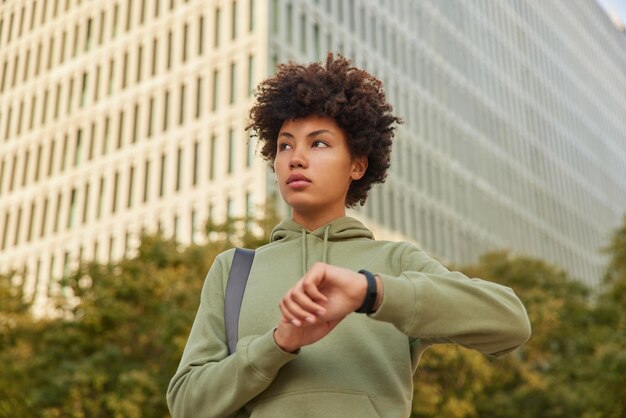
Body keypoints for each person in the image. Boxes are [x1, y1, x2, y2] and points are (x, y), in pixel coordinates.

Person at [166, 54, 531, 418]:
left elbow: (511, 323)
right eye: (285, 145)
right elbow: (185, 404)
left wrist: (370, 292)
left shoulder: (395, 263)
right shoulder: (234, 270)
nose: (296, 158)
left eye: (319, 143)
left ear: (357, 164)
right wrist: (277, 344)